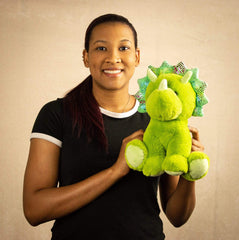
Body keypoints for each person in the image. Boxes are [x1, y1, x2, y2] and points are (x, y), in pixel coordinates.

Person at [23, 14, 205, 240]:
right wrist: (115, 171)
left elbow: (177, 218)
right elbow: (34, 210)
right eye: (101, 49)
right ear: (86, 57)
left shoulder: (157, 119)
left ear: (137, 57)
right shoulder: (56, 114)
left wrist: (189, 172)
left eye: (124, 48)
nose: (113, 58)